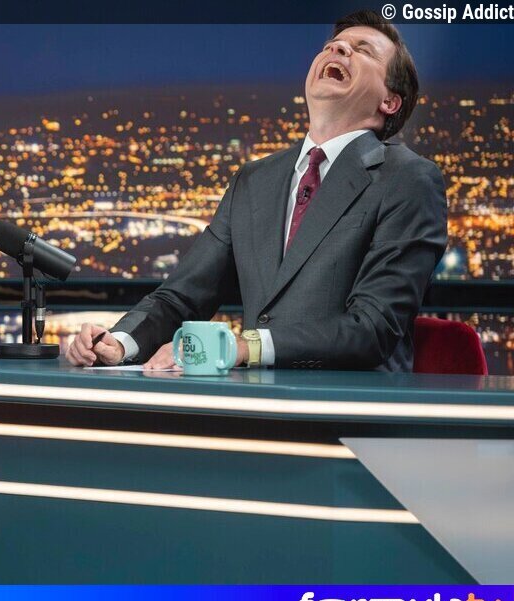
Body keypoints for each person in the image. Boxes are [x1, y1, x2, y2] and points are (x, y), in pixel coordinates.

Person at [65, 11, 446, 372]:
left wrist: (245, 346)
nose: (338, 48)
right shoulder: (254, 180)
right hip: (253, 401)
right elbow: (182, 296)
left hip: (349, 406)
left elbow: (373, 328)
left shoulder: (408, 179)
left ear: (389, 101)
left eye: (363, 50)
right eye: (332, 45)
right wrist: (120, 342)